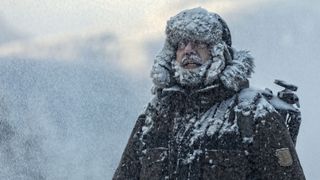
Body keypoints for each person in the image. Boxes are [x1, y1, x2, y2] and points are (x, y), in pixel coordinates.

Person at [113, 7, 305, 180]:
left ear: (218, 52)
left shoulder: (252, 113)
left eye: (199, 42)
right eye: (181, 44)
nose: (188, 50)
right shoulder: (154, 115)